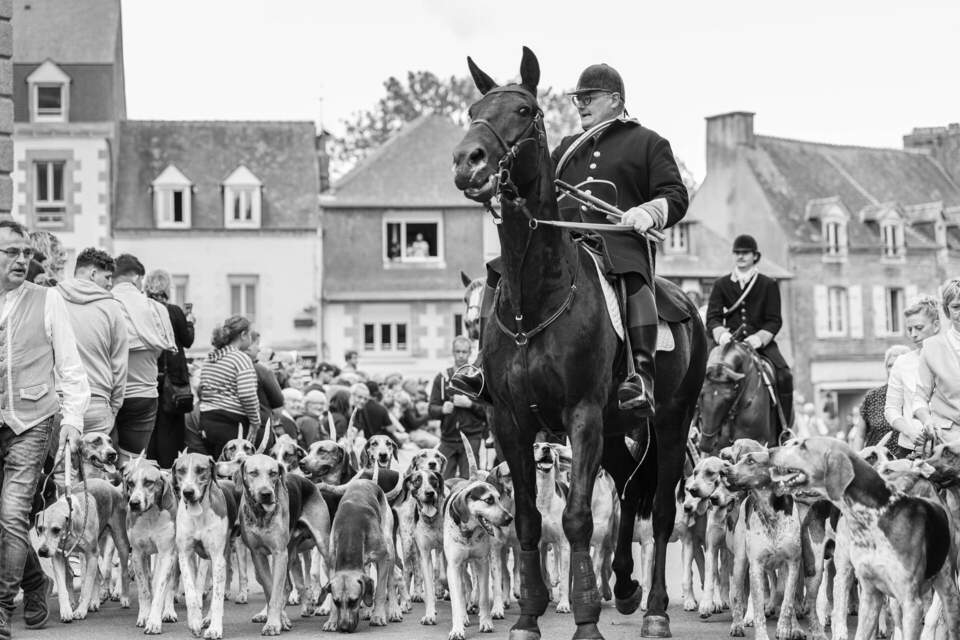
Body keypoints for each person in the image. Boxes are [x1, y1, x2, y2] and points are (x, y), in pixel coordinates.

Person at [450, 62, 689, 416]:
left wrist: (649, 211)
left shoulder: (648, 142)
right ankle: (483, 365)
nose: (581, 105)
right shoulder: (565, 147)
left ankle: (641, 376)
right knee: (500, 270)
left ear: (615, 100)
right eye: (578, 99)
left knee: (633, 277)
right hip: (561, 240)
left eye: (589, 98)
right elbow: (540, 191)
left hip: (616, 242)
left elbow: (675, 194)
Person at [0, 220, 89, 638]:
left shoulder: (48, 299)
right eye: (11, 252)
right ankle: (36, 581)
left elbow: (70, 367)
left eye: (25, 253)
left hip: (32, 420)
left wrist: (72, 420)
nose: (21, 260)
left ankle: (1, 606)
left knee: (13, 512)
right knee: (6, 522)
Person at [706, 235, 794, 426]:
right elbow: (712, 318)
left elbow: (774, 320)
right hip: (728, 344)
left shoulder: (768, 284)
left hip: (759, 345)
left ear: (755, 256)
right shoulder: (721, 284)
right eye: (737, 253)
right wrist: (722, 334)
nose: (741, 256)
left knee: (784, 375)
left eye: (745, 253)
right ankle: (695, 426)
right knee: (700, 374)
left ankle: (784, 428)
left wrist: (759, 338)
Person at [111, 254, 175, 463]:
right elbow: (160, 350)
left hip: (108, 392)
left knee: (104, 460)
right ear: (137, 278)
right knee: (132, 462)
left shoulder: (104, 305)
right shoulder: (154, 308)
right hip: (144, 392)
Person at [57, 248, 128, 434]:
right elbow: (119, 364)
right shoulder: (112, 307)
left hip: (60, 401)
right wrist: (114, 407)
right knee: (97, 462)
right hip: (97, 400)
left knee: (60, 462)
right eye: (108, 277)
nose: (110, 284)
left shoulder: (52, 298)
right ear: (93, 274)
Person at [144, 269, 195, 468]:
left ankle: (150, 468)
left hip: (148, 375)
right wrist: (190, 323)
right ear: (167, 288)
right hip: (173, 381)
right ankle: (169, 469)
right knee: (171, 430)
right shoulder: (173, 311)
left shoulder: (143, 309)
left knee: (150, 427)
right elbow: (188, 340)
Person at [196, 316, 261, 460]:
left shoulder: (210, 358)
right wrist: (255, 422)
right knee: (232, 471)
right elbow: (247, 394)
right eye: (250, 335)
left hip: (207, 421)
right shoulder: (240, 359)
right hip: (231, 424)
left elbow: (201, 389)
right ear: (243, 335)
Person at [884, 296, 940, 457]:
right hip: (911, 446)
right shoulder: (903, 363)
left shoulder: (951, 358)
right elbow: (891, 409)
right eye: (909, 329)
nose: (913, 334)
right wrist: (909, 432)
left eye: (919, 327)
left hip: (948, 446)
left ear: (936, 325)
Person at [430, 337, 488, 479]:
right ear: (452, 352)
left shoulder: (478, 377)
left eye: (464, 352)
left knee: (469, 480)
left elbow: (488, 413)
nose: (461, 355)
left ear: (470, 353)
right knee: (442, 481)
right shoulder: (442, 377)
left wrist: (470, 405)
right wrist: (442, 410)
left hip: (471, 437)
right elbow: (431, 409)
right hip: (448, 438)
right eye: (457, 351)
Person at [914, 280, 960, 446]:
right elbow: (919, 398)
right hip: (947, 440)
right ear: (947, 310)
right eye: (956, 307)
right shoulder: (932, 347)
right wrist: (927, 420)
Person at [852, 345, 912, 457]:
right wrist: (857, 458)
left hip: (906, 465)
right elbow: (860, 435)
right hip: (875, 464)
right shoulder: (872, 396)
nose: (893, 369)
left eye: (897, 365)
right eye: (889, 366)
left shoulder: (918, 397)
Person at [243, 329, 284, 449]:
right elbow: (278, 407)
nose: (259, 349)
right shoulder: (261, 370)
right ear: (248, 345)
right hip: (260, 431)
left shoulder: (227, 367)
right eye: (257, 344)